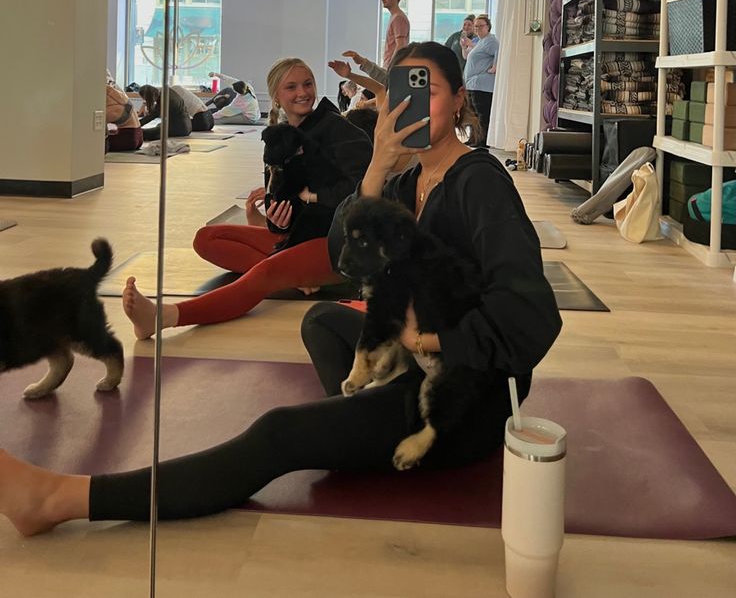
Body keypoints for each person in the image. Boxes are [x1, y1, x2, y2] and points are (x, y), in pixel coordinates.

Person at [0, 42, 560, 534]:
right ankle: (359, 430)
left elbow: (532, 315)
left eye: (429, 91)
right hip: (413, 364)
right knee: (320, 320)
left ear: (460, 99)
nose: (412, 106)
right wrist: (377, 167)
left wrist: (428, 340)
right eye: (400, 94)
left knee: (277, 434)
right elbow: (344, 256)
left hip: (461, 402)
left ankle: (56, 499)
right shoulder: (410, 178)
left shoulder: (481, 184)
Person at [121, 58, 373, 337]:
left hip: (338, 242)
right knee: (206, 238)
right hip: (299, 236)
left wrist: (311, 196)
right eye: (291, 87)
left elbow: (363, 191)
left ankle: (165, 316)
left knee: (264, 274)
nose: (302, 92)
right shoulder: (279, 139)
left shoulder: (338, 128)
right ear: (276, 96)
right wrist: (269, 220)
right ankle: (293, 275)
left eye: (307, 84)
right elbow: (281, 216)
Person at [463, 15, 498, 147]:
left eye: (481, 26)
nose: (477, 29)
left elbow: (499, 51)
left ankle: (482, 140)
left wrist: (495, 67)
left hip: (482, 85)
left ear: (488, 27)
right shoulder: (480, 41)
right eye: (476, 26)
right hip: (473, 84)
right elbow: (467, 56)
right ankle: (474, 138)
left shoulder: (491, 41)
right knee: (473, 114)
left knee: (481, 113)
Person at [105, 76, 142, 152]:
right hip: (139, 137)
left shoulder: (113, 107)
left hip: (128, 139)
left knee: (92, 142)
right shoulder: (123, 98)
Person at [381, 0, 410, 70]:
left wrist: (391, 66)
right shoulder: (394, 16)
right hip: (390, 66)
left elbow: (401, 46)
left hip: (393, 68)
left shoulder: (398, 18)